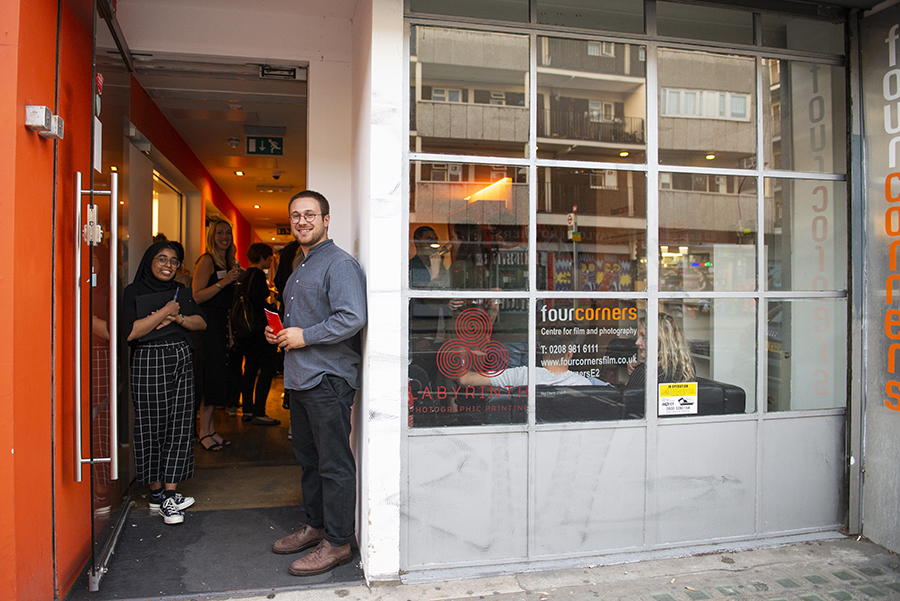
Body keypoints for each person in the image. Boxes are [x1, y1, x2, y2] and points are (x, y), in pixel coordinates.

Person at [267, 190, 367, 577]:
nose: (302, 221)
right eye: (295, 216)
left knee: (333, 464)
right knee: (309, 461)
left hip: (328, 379)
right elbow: (303, 322)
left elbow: (351, 317)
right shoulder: (300, 266)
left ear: (326, 220)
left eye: (310, 215)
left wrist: (304, 336)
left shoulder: (339, 264)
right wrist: (280, 334)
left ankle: (339, 542)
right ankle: (316, 525)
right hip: (301, 379)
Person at [122, 241, 207, 524]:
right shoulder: (134, 292)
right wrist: (164, 312)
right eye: (162, 259)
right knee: (151, 426)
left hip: (181, 358)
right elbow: (131, 332)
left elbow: (201, 323)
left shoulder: (181, 291)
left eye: (173, 261)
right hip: (148, 361)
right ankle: (156, 492)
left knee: (181, 424)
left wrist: (178, 316)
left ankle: (170, 492)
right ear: (149, 261)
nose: (168, 266)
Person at [192, 219, 243, 450]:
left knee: (217, 378)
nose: (225, 236)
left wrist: (230, 332)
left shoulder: (229, 261)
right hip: (206, 326)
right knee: (208, 378)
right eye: (220, 232)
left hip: (221, 325)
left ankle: (211, 429)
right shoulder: (207, 260)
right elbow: (196, 296)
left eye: (228, 233)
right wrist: (224, 282)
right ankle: (203, 432)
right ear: (212, 235)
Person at [237, 243, 281, 425]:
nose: (270, 260)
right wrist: (273, 310)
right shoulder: (257, 275)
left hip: (247, 332)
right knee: (268, 368)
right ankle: (259, 411)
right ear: (262, 257)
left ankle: (247, 409)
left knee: (250, 369)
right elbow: (258, 302)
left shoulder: (246, 274)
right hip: (259, 331)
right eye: (269, 257)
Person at [625, 313, 696, 389]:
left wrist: (633, 377)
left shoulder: (645, 372)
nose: (637, 342)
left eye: (644, 337)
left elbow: (629, 398)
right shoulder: (686, 367)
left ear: (662, 340)